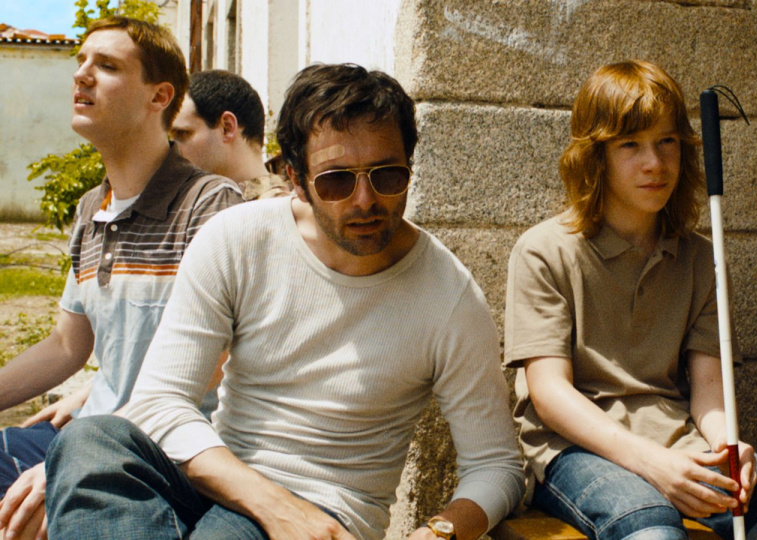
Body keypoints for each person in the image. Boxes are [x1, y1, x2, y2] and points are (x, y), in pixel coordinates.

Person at [41, 63, 525, 540]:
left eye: (388, 175)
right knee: (89, 440)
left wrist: (437, 534)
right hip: (220, 479)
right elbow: (160, 402)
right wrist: (272, 503)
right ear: (296, 178)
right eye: (337, 180)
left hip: (324, 517)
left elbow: (496, 465)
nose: (365, 200)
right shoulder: (238, 239)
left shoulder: (447, 294)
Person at [504, 59, 757, 540]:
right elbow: (550, 396)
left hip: (679, 437)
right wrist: (653, 464)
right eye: (630, 145)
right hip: (575, 449)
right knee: (651, 526)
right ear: (595, 156)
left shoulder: (701, 257)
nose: (654, 163)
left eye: (667, 141)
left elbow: (710, 391)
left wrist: (727, 444)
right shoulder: (544, 251)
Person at [0, 16, 242, 540]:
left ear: (160, 96)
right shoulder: (92, 208)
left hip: (172, 454)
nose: (82, 75)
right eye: (81, 61)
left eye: (107, 65)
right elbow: (68, 344)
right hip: (91, 434)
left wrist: (72, 469)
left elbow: (216, 364)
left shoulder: (210, 204)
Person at [170, 69, 291, 200]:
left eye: (182, 133)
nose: (171, 147)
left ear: (227, 128)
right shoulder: (208, 199)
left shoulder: (275, 207)